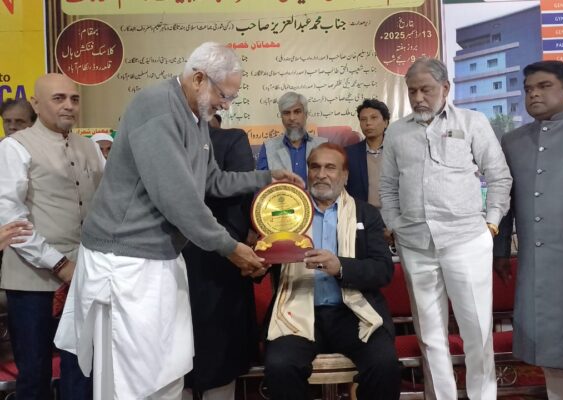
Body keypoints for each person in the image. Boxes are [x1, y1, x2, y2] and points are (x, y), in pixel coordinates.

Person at [54, 42, 302, 400]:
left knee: (166, 372)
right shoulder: (156, 108)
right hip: (125, 261)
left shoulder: (195, 116)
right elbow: (178, 198)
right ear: (199, 79)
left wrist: (266, 178)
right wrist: (230, 248)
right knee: (136, 381)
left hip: (160, 258)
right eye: (224, 95)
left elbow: (211, 180)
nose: (226, 106)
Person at [380, 57, 512, 400]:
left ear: (445, 88)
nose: (418, 98)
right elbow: (388, 187)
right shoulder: (396, 131)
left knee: (477, 330)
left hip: (467, 241)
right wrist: (394, 225)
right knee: (430, 335)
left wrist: (491, 224)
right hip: (415, 244)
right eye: (412, 91)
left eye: (425, 89)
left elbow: (499, 176)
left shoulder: (472, 122)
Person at [494, 60, 563, 400]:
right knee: (551, 361)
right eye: (528, 89)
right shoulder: (513, 141)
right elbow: (505, 200)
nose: (534, 94)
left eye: (543, 87)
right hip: (538, 269)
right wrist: (500, 252)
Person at [264, 143, 402, 400]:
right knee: (280, 366)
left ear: (345, 175)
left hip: (354, 313)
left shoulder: (366, 214)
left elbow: (383, 270)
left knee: (384, 365)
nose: (321, 174)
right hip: (297, 313)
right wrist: (258, 262)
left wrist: (341, 267)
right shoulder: (285, 212)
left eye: (330, 168)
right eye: (315, 167)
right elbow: (266, 258)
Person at [0, 73, 103, 400]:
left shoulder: (90, 147)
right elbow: (12, 220)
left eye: (74, 99)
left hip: (83, 277)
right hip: (32, 282)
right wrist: (60, 264)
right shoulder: (15, 147)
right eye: (59, 98)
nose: (69, 106)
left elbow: (107, 204)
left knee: (81, 372)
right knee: (34, 375)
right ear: (36, 103)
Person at [182, 124, 258, 400]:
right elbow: (241, 197)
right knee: (213, 362)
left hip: (202, 265)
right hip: (217, 259)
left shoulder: (228, 140)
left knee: (194, 364)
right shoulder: (231, 140)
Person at [345, 99, 394, 246]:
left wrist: (394, 226)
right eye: (363, 119)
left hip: (394, 220)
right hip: (362, 223)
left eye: (374, 118)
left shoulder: (398, 150)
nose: (368, 123)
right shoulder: (349, 154)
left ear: (386, 122)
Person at [256, 91, 327, 182]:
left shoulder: (323, 145)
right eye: (286, 113)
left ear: (306, 115)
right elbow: (261, 184)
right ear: (281, 117)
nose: (292, 118)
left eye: (297, 112)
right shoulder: (268, 147)